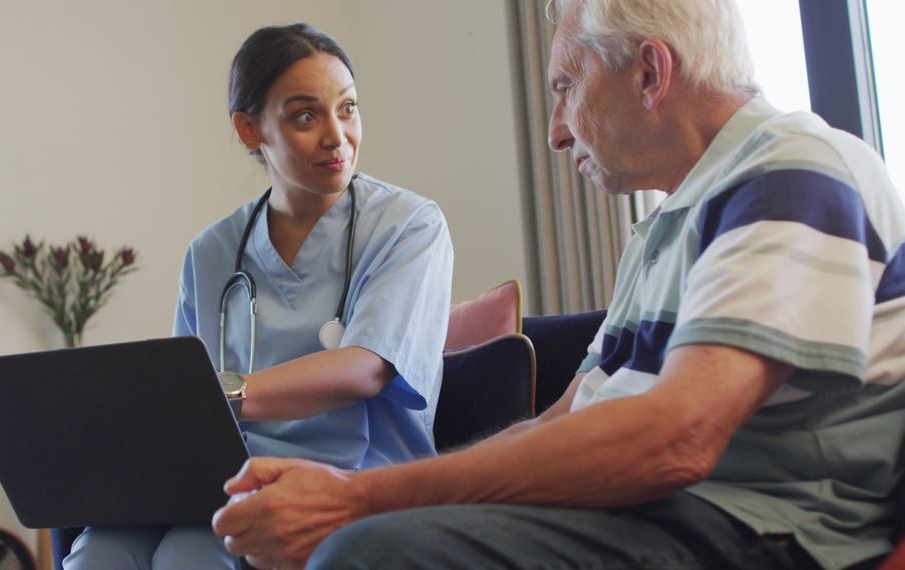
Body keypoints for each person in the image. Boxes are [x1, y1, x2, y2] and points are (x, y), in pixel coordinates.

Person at [211, 1, 905, 569]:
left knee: (366, 554)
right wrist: (369, 494)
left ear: (649, 73)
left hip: (754, 520)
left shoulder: (791, 168)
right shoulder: (664, 228)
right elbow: (561, 421)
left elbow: (676, 438)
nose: (555, 133)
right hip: (657, 509)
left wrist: (361, 499)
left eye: (566, 89)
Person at [63, 23, 454, 569]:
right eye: (305, 116)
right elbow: (185, 408)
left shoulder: (407, 226)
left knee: (187, 559)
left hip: (355, 479)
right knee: (96, 554)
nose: (336, 137)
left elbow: (367, 368)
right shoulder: (212, 251)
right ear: (250, 131)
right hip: (228, 482)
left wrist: (218, 392)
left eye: (347, 108)